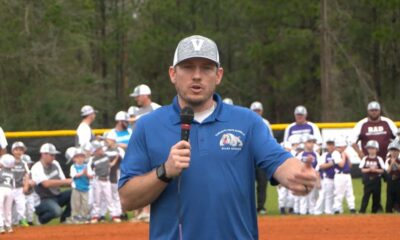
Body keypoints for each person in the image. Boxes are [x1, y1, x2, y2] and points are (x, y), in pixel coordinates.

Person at [119, 35, 318, 239]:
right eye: (187, 67)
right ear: (173, 74)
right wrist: (164, 171)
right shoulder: (147, 126)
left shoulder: (248, 122)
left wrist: (299, 175)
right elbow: (127, 199)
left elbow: (279, 161)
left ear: (219, 75)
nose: (197, 76)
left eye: (206, 68)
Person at [31, 143, 72, 224]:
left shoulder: (55, 163)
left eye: (54, 155)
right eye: (51, 155)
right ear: (43, 154)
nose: (54, 157)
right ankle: (41, 219)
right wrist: (66, 181)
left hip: (56, 195)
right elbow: (45, 184)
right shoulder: (37, 167)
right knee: (57, 212)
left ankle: (65, 219)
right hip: (42, 200)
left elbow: (62, 180)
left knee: (75, 193)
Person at [88, 140, 120, 223]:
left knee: (109, 198)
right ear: (95, 151)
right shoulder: (93, 159)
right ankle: (95, 216)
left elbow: (111, 165)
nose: (102, 150)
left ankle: (114, 215)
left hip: (106, 180)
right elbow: (89, 170)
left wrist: (116, 158)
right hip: (97, 180)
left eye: (101, 148)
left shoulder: (106, 156)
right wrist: (91, 174)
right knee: (97, 199)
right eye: (99, 149)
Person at [250, 101, 273, 215]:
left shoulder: (265, 123)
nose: (257, 113)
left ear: (262, 111)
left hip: (261, 158)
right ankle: (248, 207)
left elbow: (270, 140)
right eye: (254, 111)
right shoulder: (246, 121)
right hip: (249, 158)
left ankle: (261, 207)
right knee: (247, 184)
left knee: (262, 183)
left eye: (258, 110)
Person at [359, 140, 385, 213]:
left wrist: (376, 170)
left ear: (377, 149)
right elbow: (362, 169)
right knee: (366, 195)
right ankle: (362, 210)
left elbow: (383, 170)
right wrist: (369, 169)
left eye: (373, 148)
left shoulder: (379, 159)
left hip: (376, 180)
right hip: (367, 180)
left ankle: (374, 210)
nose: (371, 150)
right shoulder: (365, 158)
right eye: (369, 148)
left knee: (376, 196)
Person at [296, 134, 320, 215]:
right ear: (305, 143)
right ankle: (302, 214)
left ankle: (312, 214)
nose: (311, 144)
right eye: (309, 142)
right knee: (303, 197)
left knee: (312, 198)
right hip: (303, 178)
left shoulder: (316, 154)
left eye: (313, 142)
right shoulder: (300, 155)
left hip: (312, 178)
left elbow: (318, 167)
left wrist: (317, 179)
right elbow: (296, 166)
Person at [332, 139, 356, 214]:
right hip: (340, 175)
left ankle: (352, 207)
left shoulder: (344, 153)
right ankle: (337, 208)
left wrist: (348, 157)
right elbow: (341, 164)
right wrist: (344, 156)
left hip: (347, 174)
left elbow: (350, 165)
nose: (345, 147)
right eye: (344, 146)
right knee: (339, 192)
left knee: (349, 191)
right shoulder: (335, 153)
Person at [314, 139, 338, 215]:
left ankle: (329, 210)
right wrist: (332, 163)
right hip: (326, 178)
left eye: (332, 144)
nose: (330, 146)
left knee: (333, 195)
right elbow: (320, 166)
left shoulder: (337, 154)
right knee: (323, 195)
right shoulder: (325, 155)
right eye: (329, 144)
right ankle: (318, 211)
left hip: (336, 178)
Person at [10, 142, 30, 227]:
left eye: (21, 150)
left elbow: (26, 175)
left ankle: (22, 219)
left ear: (23, 152)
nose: (18, 152)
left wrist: (26, 185)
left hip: (19, 188)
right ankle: (8, 222)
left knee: (21, 205)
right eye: (16, 149)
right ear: (12, 151)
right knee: (8, 206)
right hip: (9, 188)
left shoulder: (24, 163)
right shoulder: (9, 162)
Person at [69, 148, 92, 224]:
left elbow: (90, 176)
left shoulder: (87, 166)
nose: (80, 159)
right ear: (74, 159)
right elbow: (75, 175)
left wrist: (88, 174)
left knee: (85, 203)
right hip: (76, 188)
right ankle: (75, 216)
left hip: (86, 187)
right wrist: (83, 172)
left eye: (81, 157)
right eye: (77, 157)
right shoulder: (73, 167)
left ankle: (83, 216)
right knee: (76, 203)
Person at [0, 154, 16, 233]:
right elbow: (14, 185)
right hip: (10, 190)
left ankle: (1, 226)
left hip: (1, 189)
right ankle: (8, 226)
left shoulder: (0, 171)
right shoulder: (12, 173)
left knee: (0, 208)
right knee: (8, 209)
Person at [385, 141, 400, 212]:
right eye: (392, 150)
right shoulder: (388, 160)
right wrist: (391, 163)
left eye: (396, 150)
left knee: (398, 194)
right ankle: (389, 209)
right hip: (390, 180)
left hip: (398, 180)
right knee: (390, 194)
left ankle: (397, 208)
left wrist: (396, 163)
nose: (394, 152)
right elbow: (387, 171)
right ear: (389, 151)